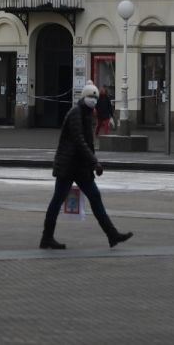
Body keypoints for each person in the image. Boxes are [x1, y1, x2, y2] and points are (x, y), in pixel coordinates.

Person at [40, 83, 133, 250]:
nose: (93, 100)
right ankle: (46, 238)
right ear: (83, 97)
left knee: (95, 197)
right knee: (57, 200)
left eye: (95, 97)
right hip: (68, 166)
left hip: (81, 167)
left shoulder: (88, 113)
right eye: (91, 97)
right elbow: (79, 140)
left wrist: (91, 162)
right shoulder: (75, 113)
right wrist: (94, 162)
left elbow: (87, 143)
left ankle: (112, 235)